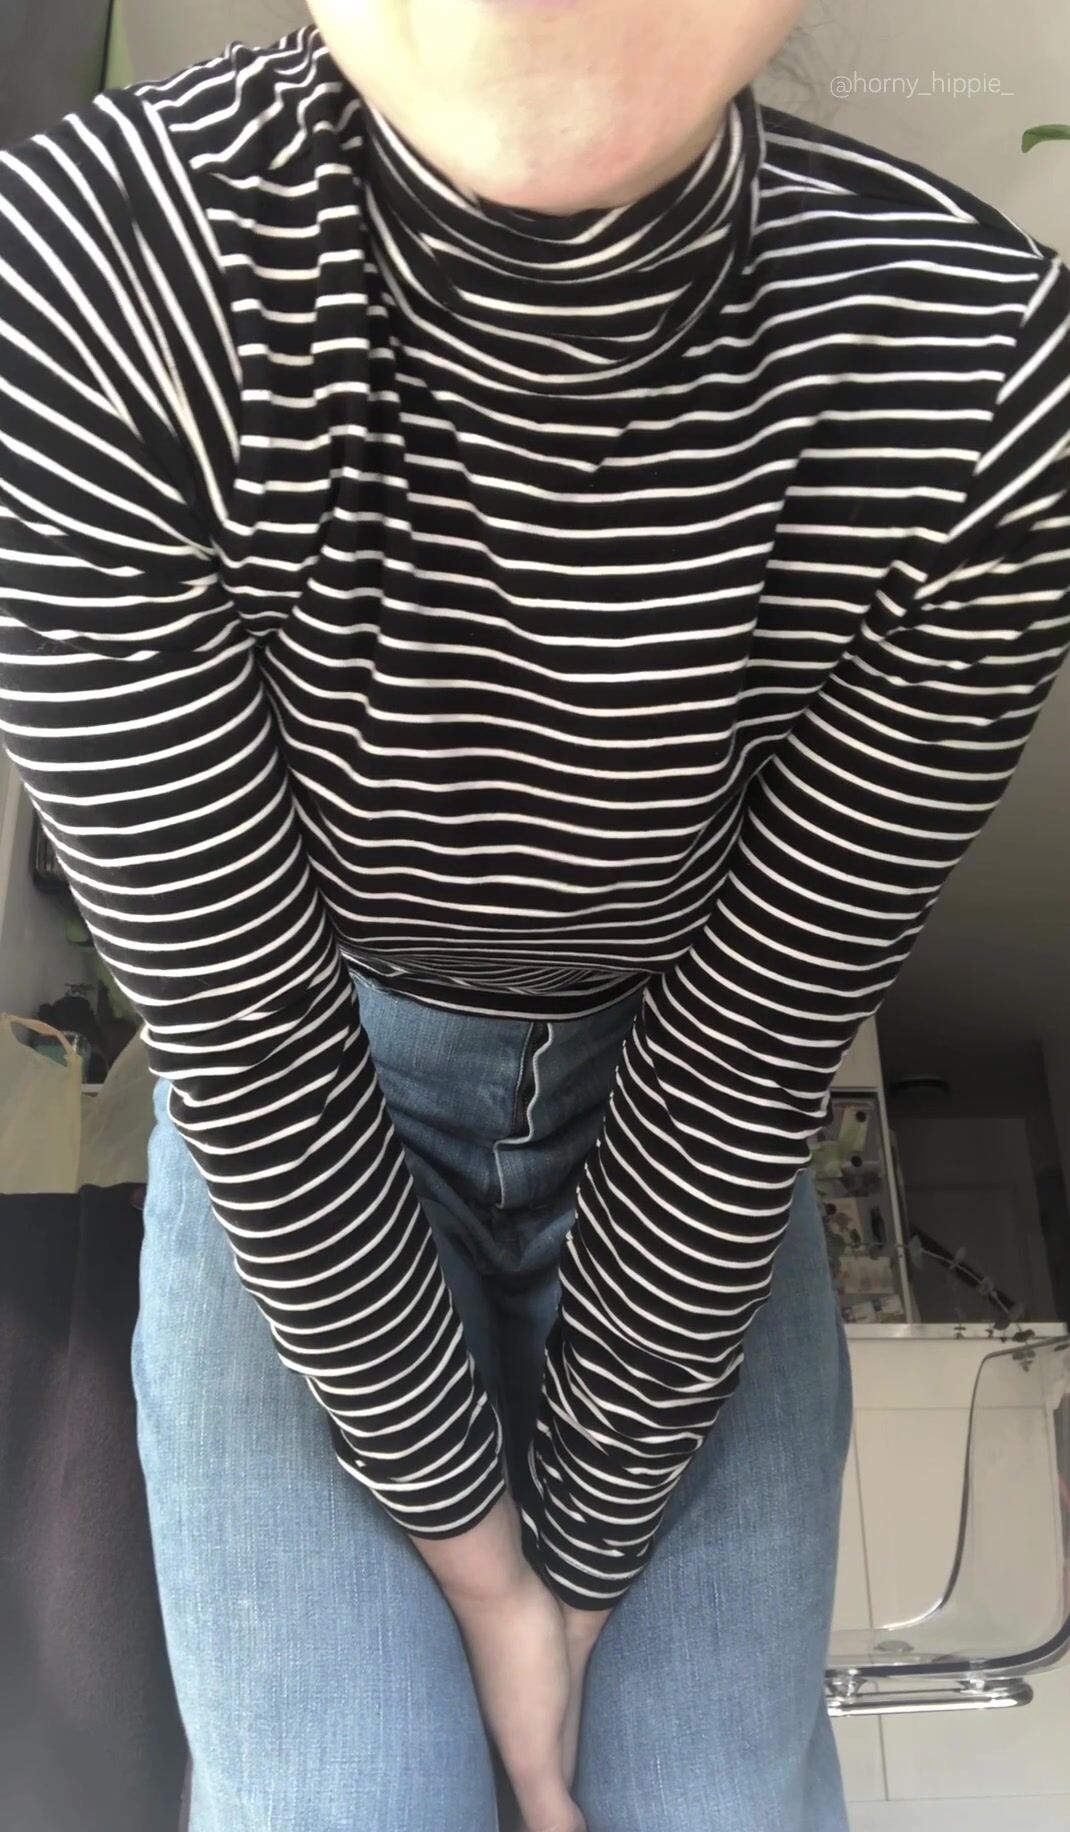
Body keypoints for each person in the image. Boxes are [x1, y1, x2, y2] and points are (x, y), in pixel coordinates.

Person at [0, 4, 1067, 1827]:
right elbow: (249, 1039)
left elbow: (752, 1040)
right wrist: (492, 1578)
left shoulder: (974, 374)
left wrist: (576, 1564)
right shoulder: (90, 273)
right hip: (309, 1099)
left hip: (681, 1107)